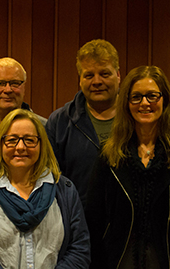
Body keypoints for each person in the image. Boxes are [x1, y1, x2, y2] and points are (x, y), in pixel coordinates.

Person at [86, 65, 170, 269]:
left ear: (165, 101)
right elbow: (94, 221)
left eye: (152, 96)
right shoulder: (109, 156)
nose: (144, 103)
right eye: (136, 97)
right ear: (127, 104)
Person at [0, 109, 90, 269]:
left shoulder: (64, 190)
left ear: (41, 144)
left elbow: (79, 248)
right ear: (0, 144)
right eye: (12, 140)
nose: (21, 147)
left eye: (29, 140)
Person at [46, 39, 121, 207]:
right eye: (89, 75)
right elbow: (49, 181)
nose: (96, 81)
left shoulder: (136, 117)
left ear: (118, 75)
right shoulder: (59, 122)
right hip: (77, 224)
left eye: (104, 74)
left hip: (129, 228)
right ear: (80, 79)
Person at [0, 57, 47, 134]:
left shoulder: (43, 129)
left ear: (24, 87)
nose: (8, 90)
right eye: (0, 83)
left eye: (15, 83)